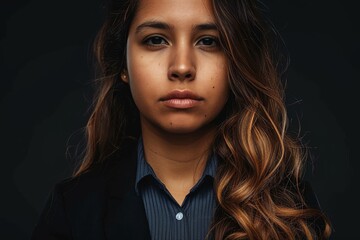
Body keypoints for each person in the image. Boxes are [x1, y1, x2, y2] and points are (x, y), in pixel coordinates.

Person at [31, 0, 332, 239]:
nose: (182, 67)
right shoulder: (74, 209)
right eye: (156, 40)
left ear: (237, 62)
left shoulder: (290, 208)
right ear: (122, 63)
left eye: (208, 41)